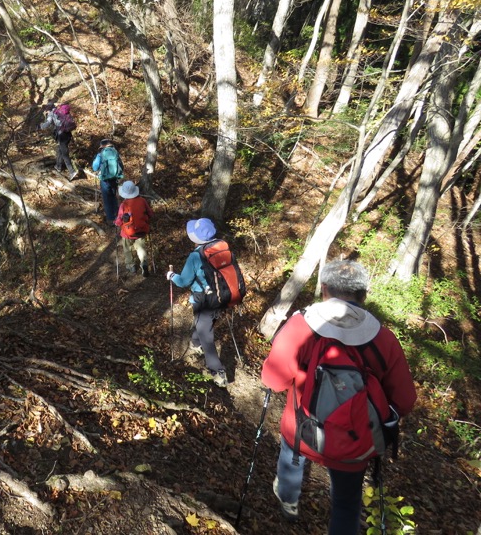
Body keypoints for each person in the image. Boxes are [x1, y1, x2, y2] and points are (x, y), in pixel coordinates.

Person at [261, 259, 417, 534]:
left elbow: (273, 380)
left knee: (291, 456)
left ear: (323, 289)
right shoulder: (382, 338)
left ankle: (288, 501)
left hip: (302, 427)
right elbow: (404, 401)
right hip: (354, 443)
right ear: (364, 295)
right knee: (346, 504)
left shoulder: (300, 326)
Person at [165, 218, 229, 387]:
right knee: (203, 324)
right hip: (222, 295)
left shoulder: (196, 256)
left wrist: (171, 276)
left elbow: (184, 281)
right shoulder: (222, 246)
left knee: (206, 334)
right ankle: (195, 343)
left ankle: (218, 372)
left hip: (204, 300)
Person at [114, 181, 154, 276]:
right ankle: (143, 263)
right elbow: (150, 213)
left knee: (127, 249)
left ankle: (131, 266)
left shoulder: (124, 205)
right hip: (142, 230)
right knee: (141, 248)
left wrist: (116, 223)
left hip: (127, 233)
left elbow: (120, 219)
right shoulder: (142, 201)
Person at [40, 101, 78, 180]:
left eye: (46, 109)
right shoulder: (60, 111)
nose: (46, 111)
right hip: (67, 134)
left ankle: (72, 171)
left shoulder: (52, 113)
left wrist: (40, 126)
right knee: (59, 150)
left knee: (64, 153)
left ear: (48, 108)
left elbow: (47, 124)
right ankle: (58, 166)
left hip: (62, 135)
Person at [91, 139, 123, 224]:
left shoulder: (100, 154)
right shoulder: (115, 153)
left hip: (105, 180)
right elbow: (121, 167)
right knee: (113, 196)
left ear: (102, 146)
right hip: (115, 179)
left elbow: (94, 167)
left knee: (107, 199)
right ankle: (117, 216)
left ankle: (111, 219)